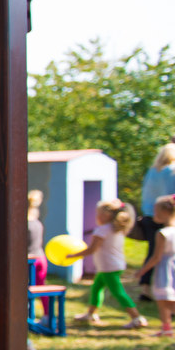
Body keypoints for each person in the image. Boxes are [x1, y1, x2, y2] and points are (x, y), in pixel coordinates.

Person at [67, 199, 147, 329]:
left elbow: (92, 249)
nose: (96, 216)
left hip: (108, 267)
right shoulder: (116, 228)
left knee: (118, 292)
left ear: (106, 215)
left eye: (98, 213)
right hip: (114, 265)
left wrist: (72, 256)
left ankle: (136, 318)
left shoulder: (102, 230)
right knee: (97, 288)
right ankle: (91, 314)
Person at [137, 144, 175, 296]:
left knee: (153, 251)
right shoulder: (171, 170)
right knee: (166, 254)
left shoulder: (153, 170)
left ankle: (145, 288)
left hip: (149, 213)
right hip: (166, 214)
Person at [137, 195, 175, 336]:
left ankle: (166, 327)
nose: (154, 214)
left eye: (156, 211)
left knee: (165, 300)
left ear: (164, 212)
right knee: (165, 299)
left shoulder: (162, 233)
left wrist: (142, 271)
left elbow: (156, 257)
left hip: (165, 270)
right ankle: (166, 328)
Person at [28, 190, 50, 320]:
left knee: (24, 288)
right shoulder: (36, 222)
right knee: (41, 286)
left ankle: (29, 316)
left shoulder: (25, 224)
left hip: (31, 260)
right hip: (41, 257)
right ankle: (47, 315)